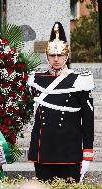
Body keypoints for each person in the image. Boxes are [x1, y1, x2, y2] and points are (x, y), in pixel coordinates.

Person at [27, 22, 94, 183]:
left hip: (69, 150)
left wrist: (87, 154)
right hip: (44, 150)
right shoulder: (36, 80)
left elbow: (88, 120)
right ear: (47, 56)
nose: (56, 59)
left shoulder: (80, 81)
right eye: (52, 55)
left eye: (60, 55)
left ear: (67, 56)